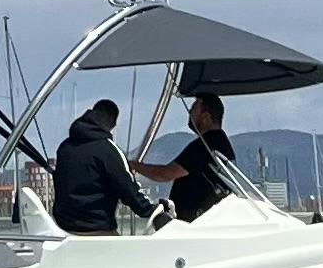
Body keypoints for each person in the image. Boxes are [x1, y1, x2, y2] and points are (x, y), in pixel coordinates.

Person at [51, 99, 167, 235]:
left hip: (64, 229)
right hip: (97, 230)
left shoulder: (65, 148)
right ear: (112, 122)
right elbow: (127, 188)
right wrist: (152, 211)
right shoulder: (107, 150)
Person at [132, 92, 237, 223]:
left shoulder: (206, 144)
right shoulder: (220, 142)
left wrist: (132, 166)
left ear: (206, 117)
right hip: (206, 221)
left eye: (194, 108)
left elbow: (165, 174)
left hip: (196, 224)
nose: (189, 112)